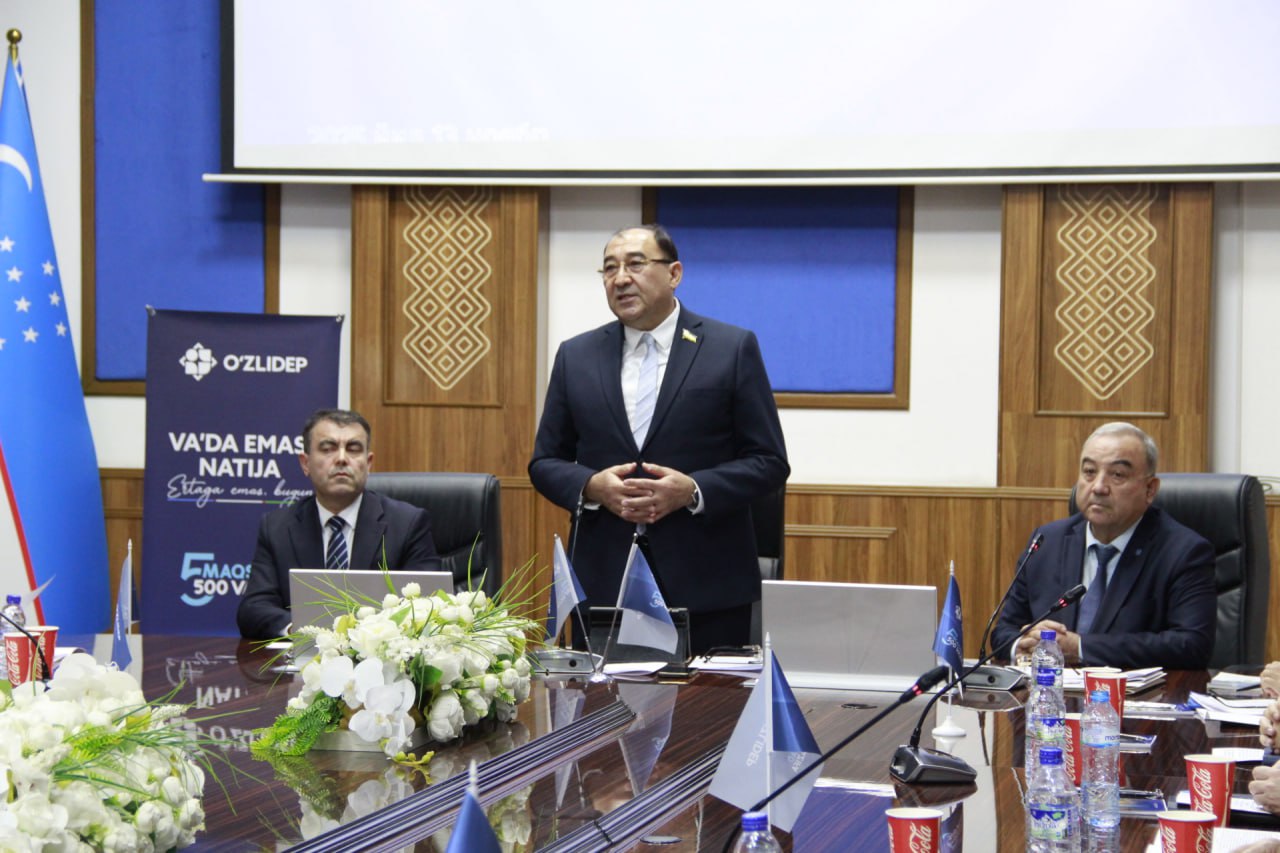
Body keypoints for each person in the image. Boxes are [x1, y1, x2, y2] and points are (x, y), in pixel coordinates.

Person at [529, 224, 789, 655]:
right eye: (609, 268)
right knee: (602, 701)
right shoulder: (576, 356)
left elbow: (769, 461)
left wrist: (693, 490)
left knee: (709, 702)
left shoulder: (730, 348)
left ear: (674, 274)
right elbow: (544, 462)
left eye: (635, 264)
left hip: (707, 583)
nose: (620, 278)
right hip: (604, 583)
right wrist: (591, 486)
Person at [991, 422, 1216, 670]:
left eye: (1117, 475)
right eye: (1089, 471)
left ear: (1150, 489)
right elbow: (1004, 630)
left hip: (1136, 693)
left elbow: (1192, 645)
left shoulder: (1184, 552)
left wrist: (1079, 647)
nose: (1098, 487)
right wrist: (1022, 643)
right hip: (1049, 691)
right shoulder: (1046, 542)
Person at [237, 408, 439, 639]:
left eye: (353, 449)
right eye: (328, 448)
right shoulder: (277, 527)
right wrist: (303, 631)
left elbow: (428, 606)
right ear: (305, 463)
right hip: (305, 656)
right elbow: (254, 608)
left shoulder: (408, 524)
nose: (342, 458)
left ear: (368, 463)